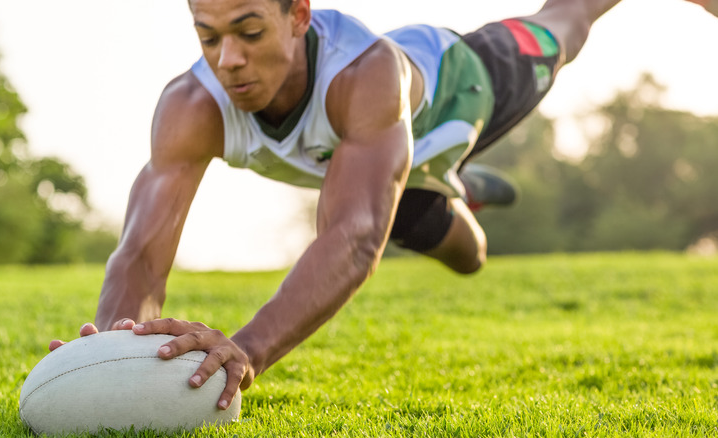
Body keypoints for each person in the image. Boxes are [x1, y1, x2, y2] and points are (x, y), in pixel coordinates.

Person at [50, 0, 717, 411]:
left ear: (299, 14)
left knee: (565, 22)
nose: (229, 60)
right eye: (208, 36)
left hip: (458, 93)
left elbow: (355, 238)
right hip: (366, 166)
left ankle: (450, 169)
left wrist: (246, 349)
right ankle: (461, 193)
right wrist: (114, 347)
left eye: (249, 32)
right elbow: (140, 248)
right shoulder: (190, 105)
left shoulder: (363, 73)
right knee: (467, 258)